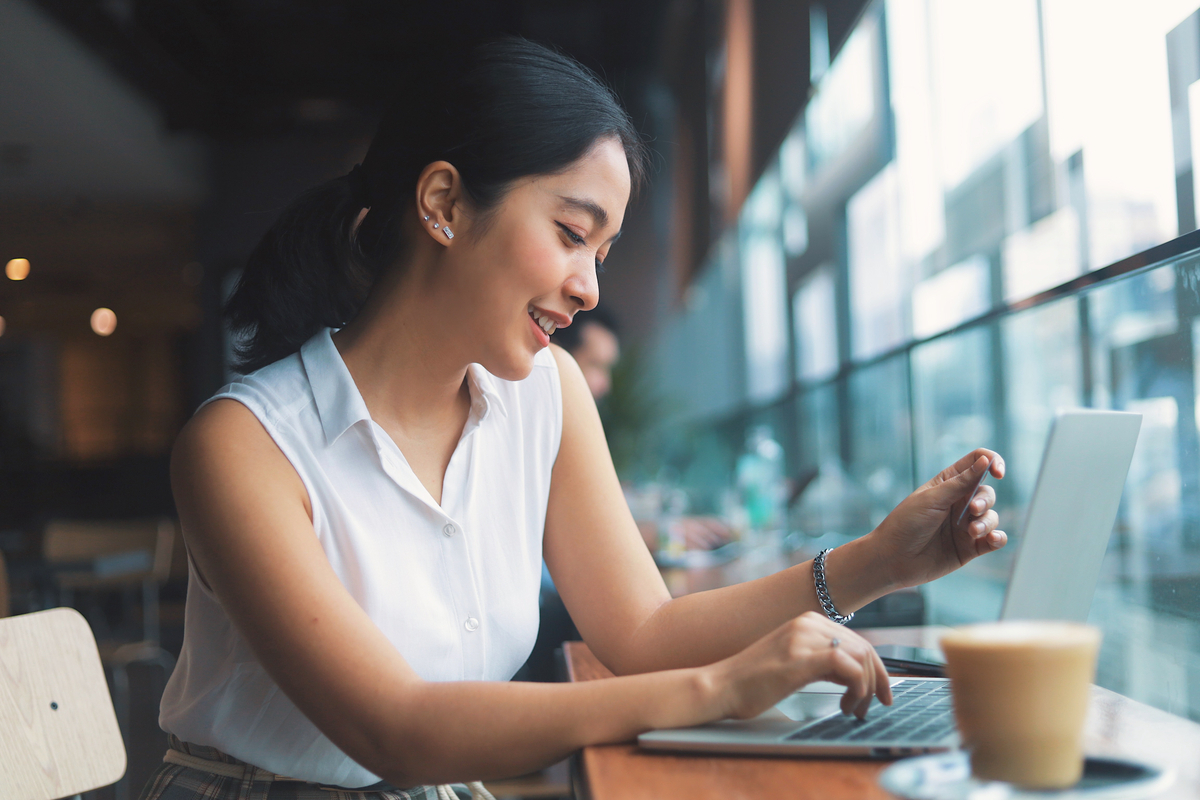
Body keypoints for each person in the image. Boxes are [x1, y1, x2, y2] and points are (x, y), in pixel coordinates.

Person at [148, 38, 1007, 800]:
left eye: (602, 254)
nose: (590, 289)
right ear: (444, 203)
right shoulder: (242, 447)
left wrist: (877, 563)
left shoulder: (544, 391)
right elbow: (395, 730)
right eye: (570, 232)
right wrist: (721, 690)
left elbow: (645, 632)